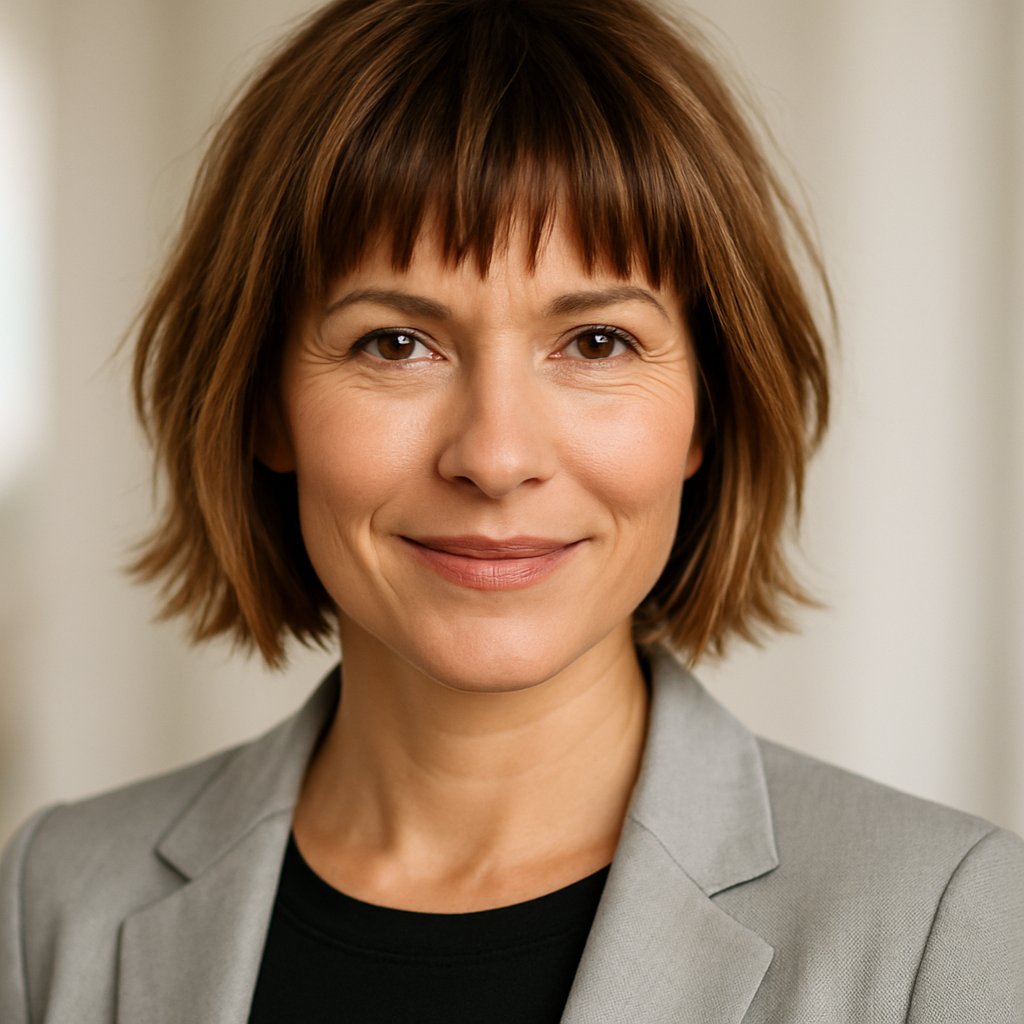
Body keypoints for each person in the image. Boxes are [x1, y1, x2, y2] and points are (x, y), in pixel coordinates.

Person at [2, 0, 1022, 1020]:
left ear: (706, 407)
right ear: (264, 404)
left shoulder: (944, 923)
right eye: (395, 343)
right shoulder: (51, 899)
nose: (494, 456)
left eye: (596, 344)